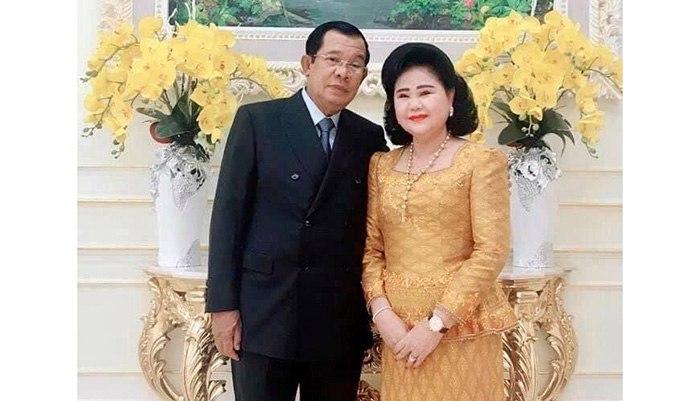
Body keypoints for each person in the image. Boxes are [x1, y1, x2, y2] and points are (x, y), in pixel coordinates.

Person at [206, 21, 388, 401]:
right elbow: (227, 220)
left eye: (355, 64)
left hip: (336, 318)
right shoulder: (258, 121)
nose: (343, 72)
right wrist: (222, 307)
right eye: (333, 59)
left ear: (363, 75)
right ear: (308, 64)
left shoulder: (368, 137)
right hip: (264, 314)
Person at [362, 42, 518, 401]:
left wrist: (436, 324)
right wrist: (382, 314)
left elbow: (491, 250)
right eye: (403, 95)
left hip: (460, 328)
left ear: (450, 98)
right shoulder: (381, 166)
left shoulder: (480, 161)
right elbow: (371, 250)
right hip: (399, 333)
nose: (414, 104)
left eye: (425, 92)